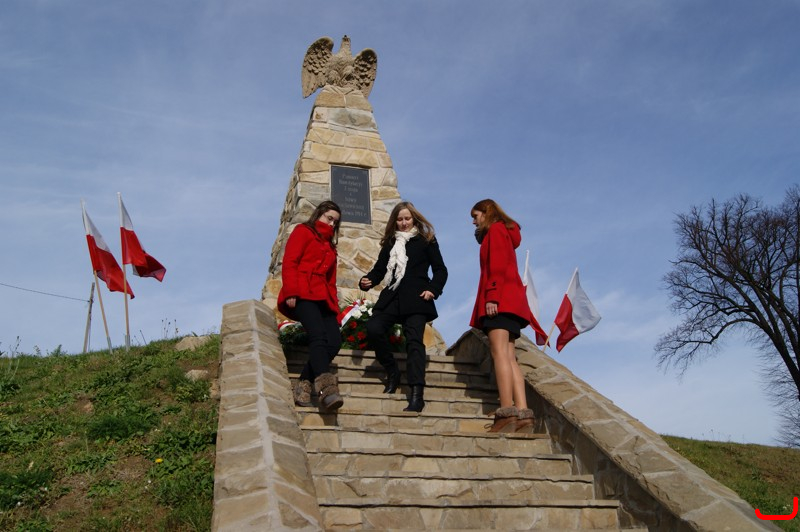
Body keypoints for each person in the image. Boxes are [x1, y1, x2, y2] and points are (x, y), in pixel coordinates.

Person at [359, 201, 448, 412]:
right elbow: (380, 270)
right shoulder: (391, 242)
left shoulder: (426, 240)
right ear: (395, 221)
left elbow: (440, 270)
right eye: (399, 219)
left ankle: (417, 394)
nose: (404, 223)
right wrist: (368, 280)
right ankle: (392, 371)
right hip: (391, 297)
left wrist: (433, 289)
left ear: (414, 219)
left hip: (417, 298)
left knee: (415, 342)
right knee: (374, 328)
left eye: (407, 218)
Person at [470, 198, 544, 433]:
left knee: (499, 353)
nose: (473, 222)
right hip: (512, 302)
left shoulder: (495, 230)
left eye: (475, 216)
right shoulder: (504, 232)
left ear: (486, 212)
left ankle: (506, 411)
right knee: (510, 356)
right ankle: (523, 412)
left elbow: (498, 264)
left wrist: (492, 295)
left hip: (500, 300)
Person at [278, 200, 344, 411]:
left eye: (335, 221)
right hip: (302, 293)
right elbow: (290, 261)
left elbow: (331, 282)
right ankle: (327, 391)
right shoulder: (303, 231)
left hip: (323, 298)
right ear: (319, 214)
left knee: (334, 341)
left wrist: (336, 312)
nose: (332, 223)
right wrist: (291, 291)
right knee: (318, 336)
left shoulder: (331, 247)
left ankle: (304, 383)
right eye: (329, 218)